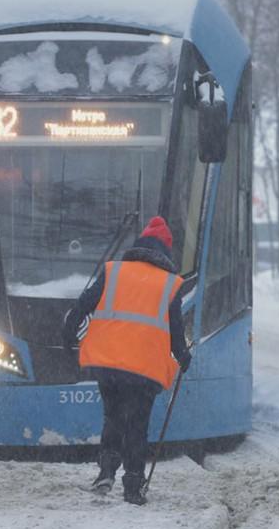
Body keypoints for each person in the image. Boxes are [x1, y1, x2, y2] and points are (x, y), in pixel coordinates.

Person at [62, 216, 192, 506]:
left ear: (140, 245)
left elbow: (84, 303)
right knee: (137, 425)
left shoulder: (114, 271)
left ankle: (106, 471)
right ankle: (133, 485)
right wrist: (183, 357)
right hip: (144, 369)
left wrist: (69, 333)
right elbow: (175, 331)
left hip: (109, 363)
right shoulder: (169, 284)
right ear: (166, 253)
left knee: (113, 416)